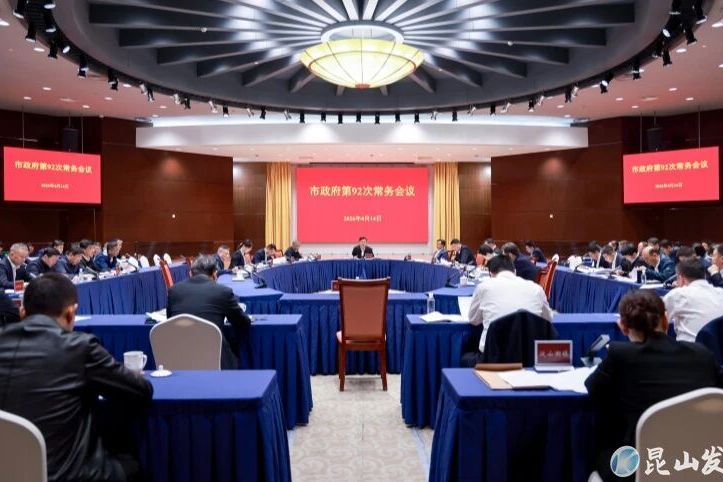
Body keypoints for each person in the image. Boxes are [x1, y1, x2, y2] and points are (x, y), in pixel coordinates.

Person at [0, 273, 153, 482]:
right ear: (71, 313)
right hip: (69, 475)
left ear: (22, 312)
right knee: (134, 460)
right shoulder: (79, 348)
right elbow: (141, 390)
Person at [585, 290, 721, 482]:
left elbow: (593, 388)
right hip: (701, 462)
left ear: (623, 327)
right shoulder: (702, 354)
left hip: (635, 466)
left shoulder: (620, 355)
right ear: (666, 320)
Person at [166, 255, 253, 369]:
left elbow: (170, 320)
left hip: (178, 356)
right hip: (214, 357)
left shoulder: (174, 290)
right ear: (214, 274)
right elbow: (242, 322)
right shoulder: (223, 291)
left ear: (190, 273)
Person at [465, 255, 553, 364]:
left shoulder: (484, 287)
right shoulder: (537, 288)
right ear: (515, 271)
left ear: (490, 273)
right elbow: (548, 319)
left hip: (494, 359)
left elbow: (473, 320)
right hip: (530, 357)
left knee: (465, 356)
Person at [663, 259, 723, 342]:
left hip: (690, 348)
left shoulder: (679, 294)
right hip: (718, 348)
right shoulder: (721, 292)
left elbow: (659, 321)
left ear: (681, 278)